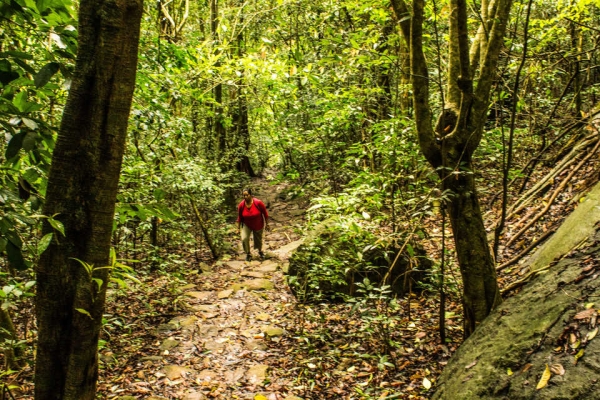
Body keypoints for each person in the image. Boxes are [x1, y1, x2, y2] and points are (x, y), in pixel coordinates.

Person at [236, 188, 269, 261]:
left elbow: (265, 214)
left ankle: (260, 251)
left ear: (250, 195)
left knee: (258, 240)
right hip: (246, 224)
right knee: (244, 238)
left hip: (258, 224)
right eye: (244, 195)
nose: (245, 197)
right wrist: (238, 228)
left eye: (247, 195)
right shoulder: (241, 205)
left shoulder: (258, 203)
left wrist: (267, 224)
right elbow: (239, 217)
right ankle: (248, 253)